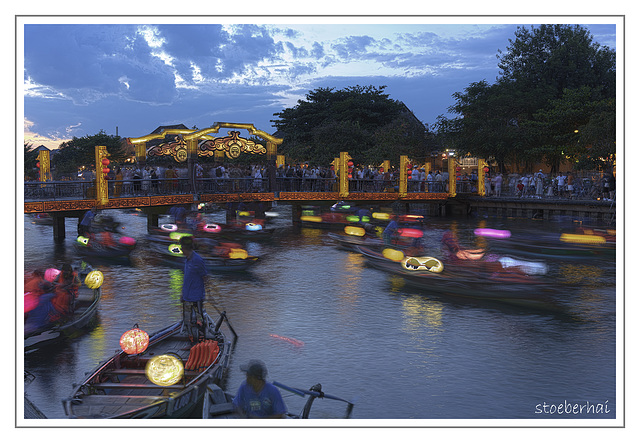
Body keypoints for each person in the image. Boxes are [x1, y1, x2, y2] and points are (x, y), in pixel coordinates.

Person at [180, 236, 208, 340]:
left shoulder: (197, 260)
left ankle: (201, 340)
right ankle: (191, 340)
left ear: (185, 248)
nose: (181, 250)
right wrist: (182, 294)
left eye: (181, 247)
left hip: (196, 297)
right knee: (187, 320)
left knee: (199, 320)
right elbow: (187, 278)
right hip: (187, 296)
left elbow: (205, 276)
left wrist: (205, 293)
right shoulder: (187, 260)